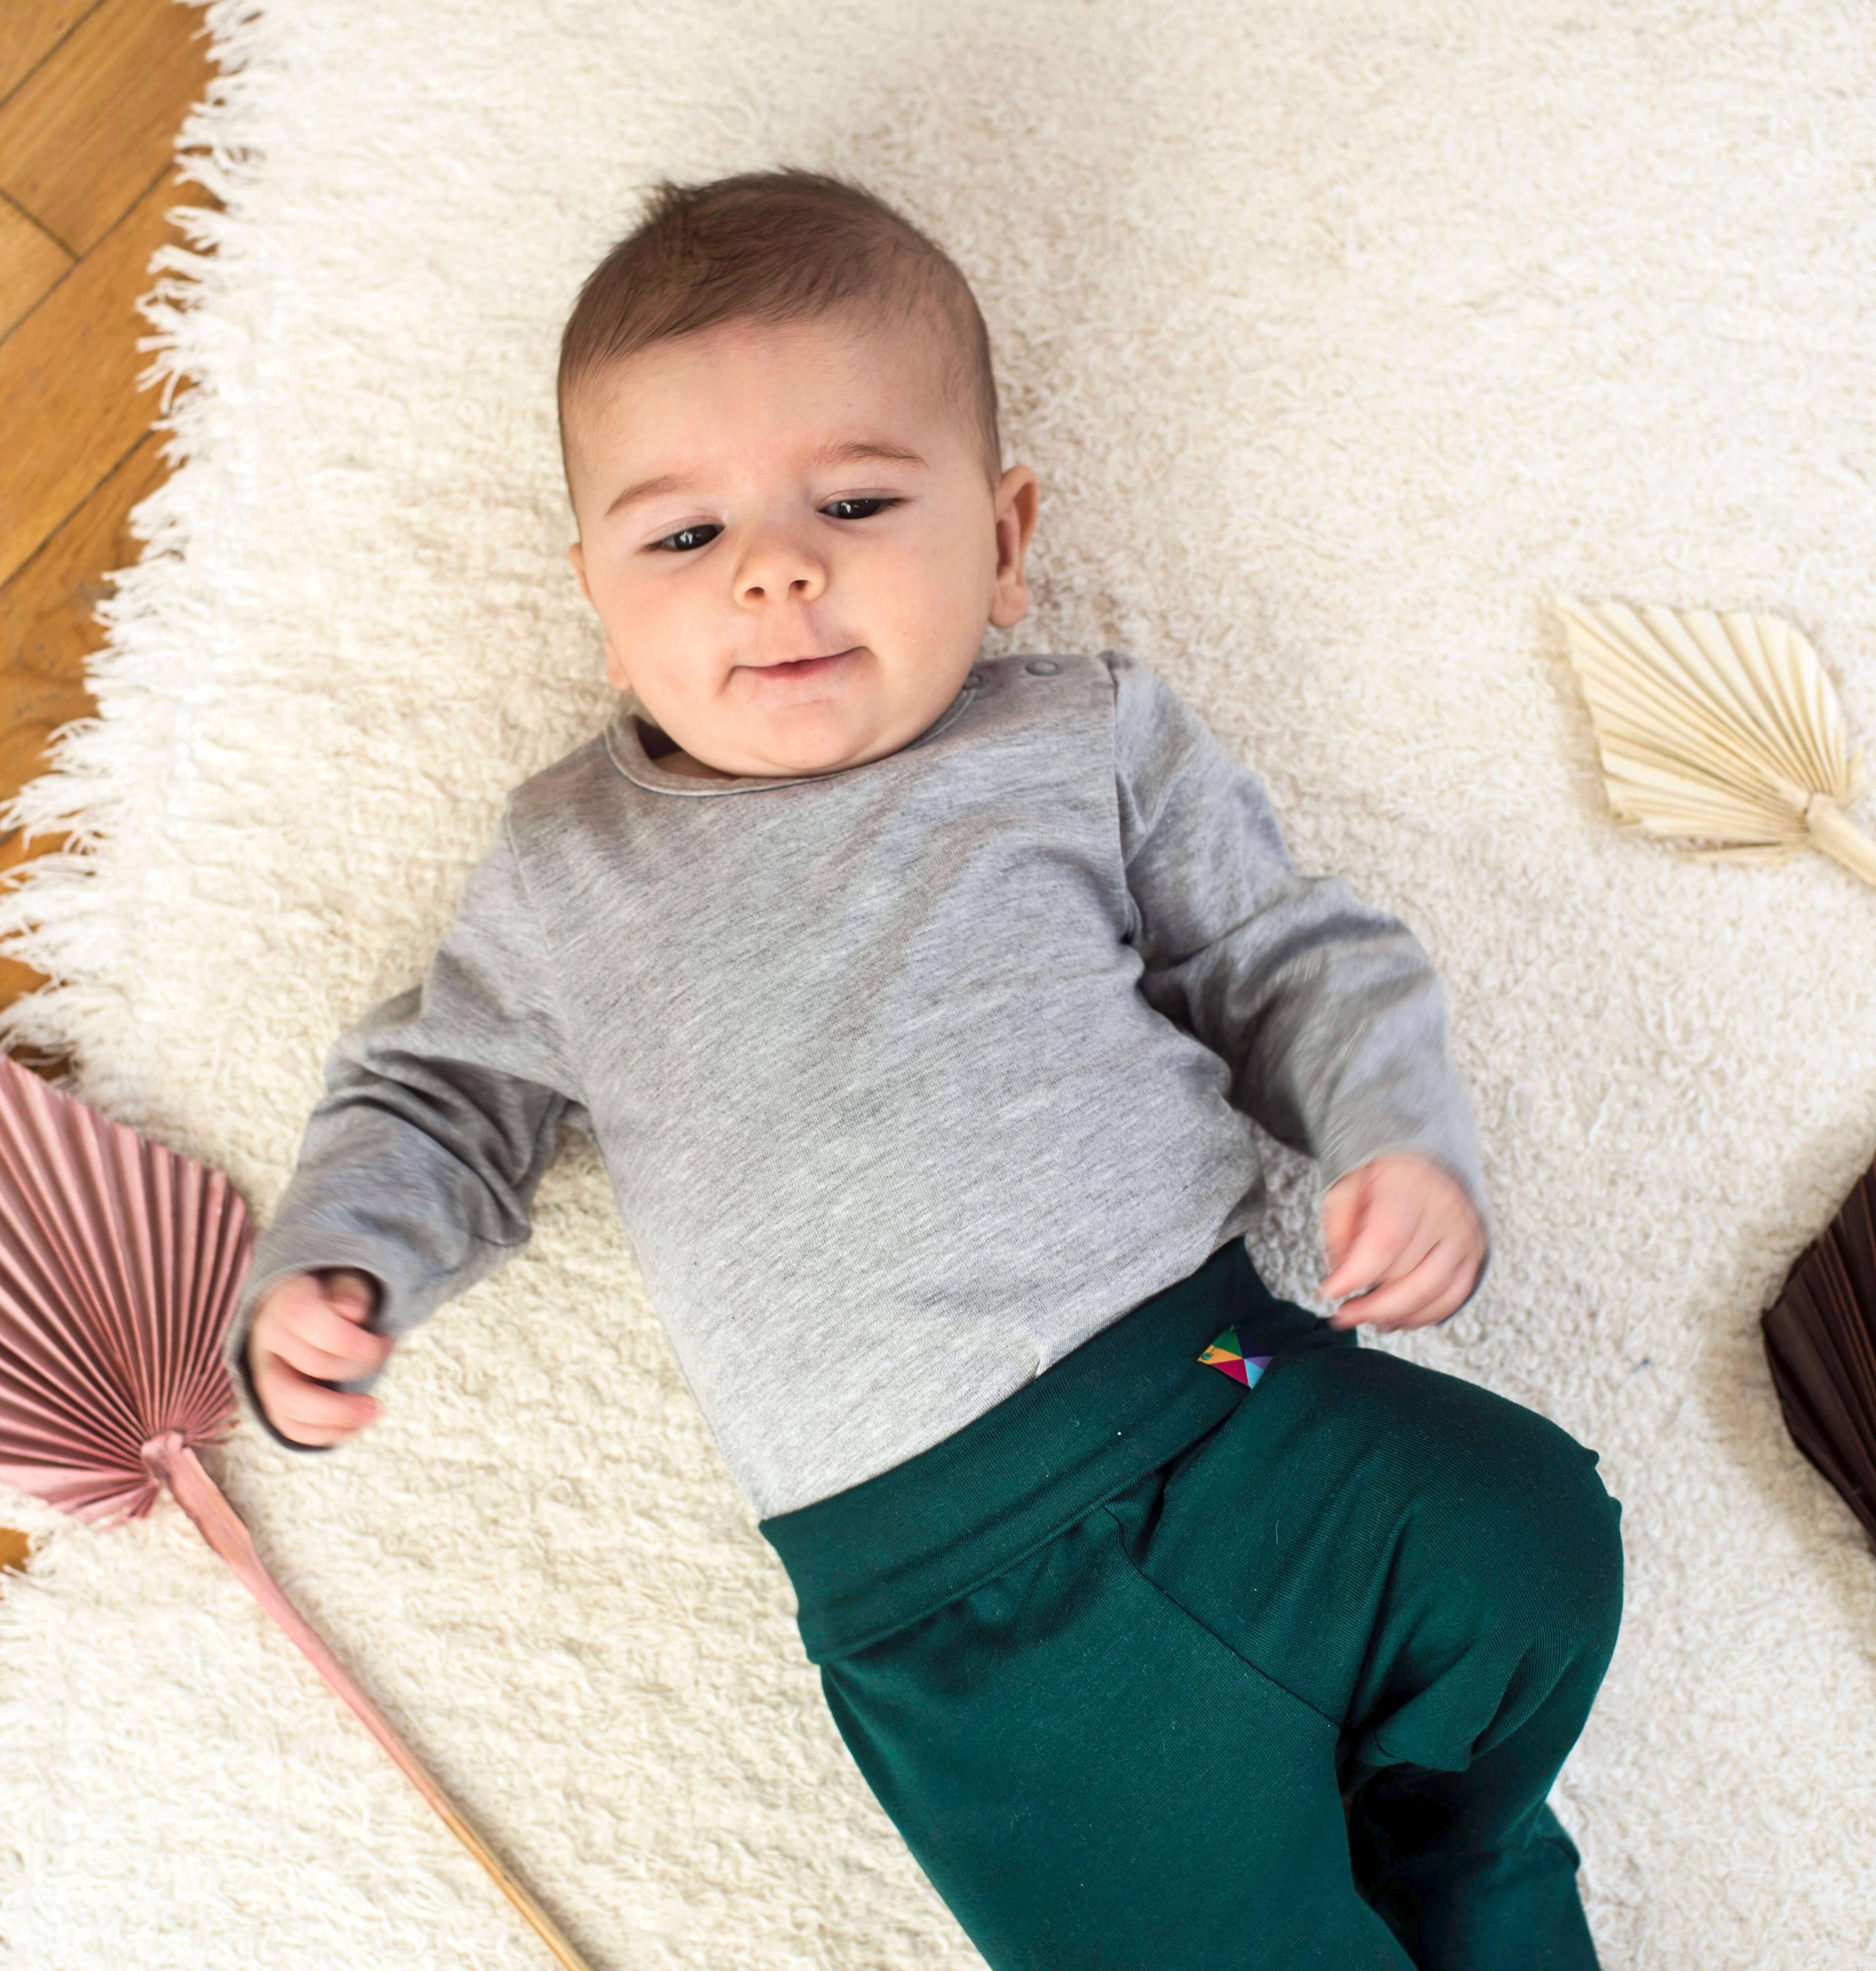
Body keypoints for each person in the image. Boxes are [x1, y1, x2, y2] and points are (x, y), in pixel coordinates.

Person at [231, 166, 1622, 1970]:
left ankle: (1455, 1853)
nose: (775, 568)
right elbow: (434, 1101)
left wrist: (1395, 1137)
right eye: (681, 541)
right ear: (597, 598)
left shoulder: (1079, 738)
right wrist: (338, 1270)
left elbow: (1284, 955)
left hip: (1232, 1390)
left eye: (859, 500)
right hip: (972, 1612)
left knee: (1526, 1537)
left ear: (1006, 533)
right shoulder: (569, 872)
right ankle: (1418, 1865)